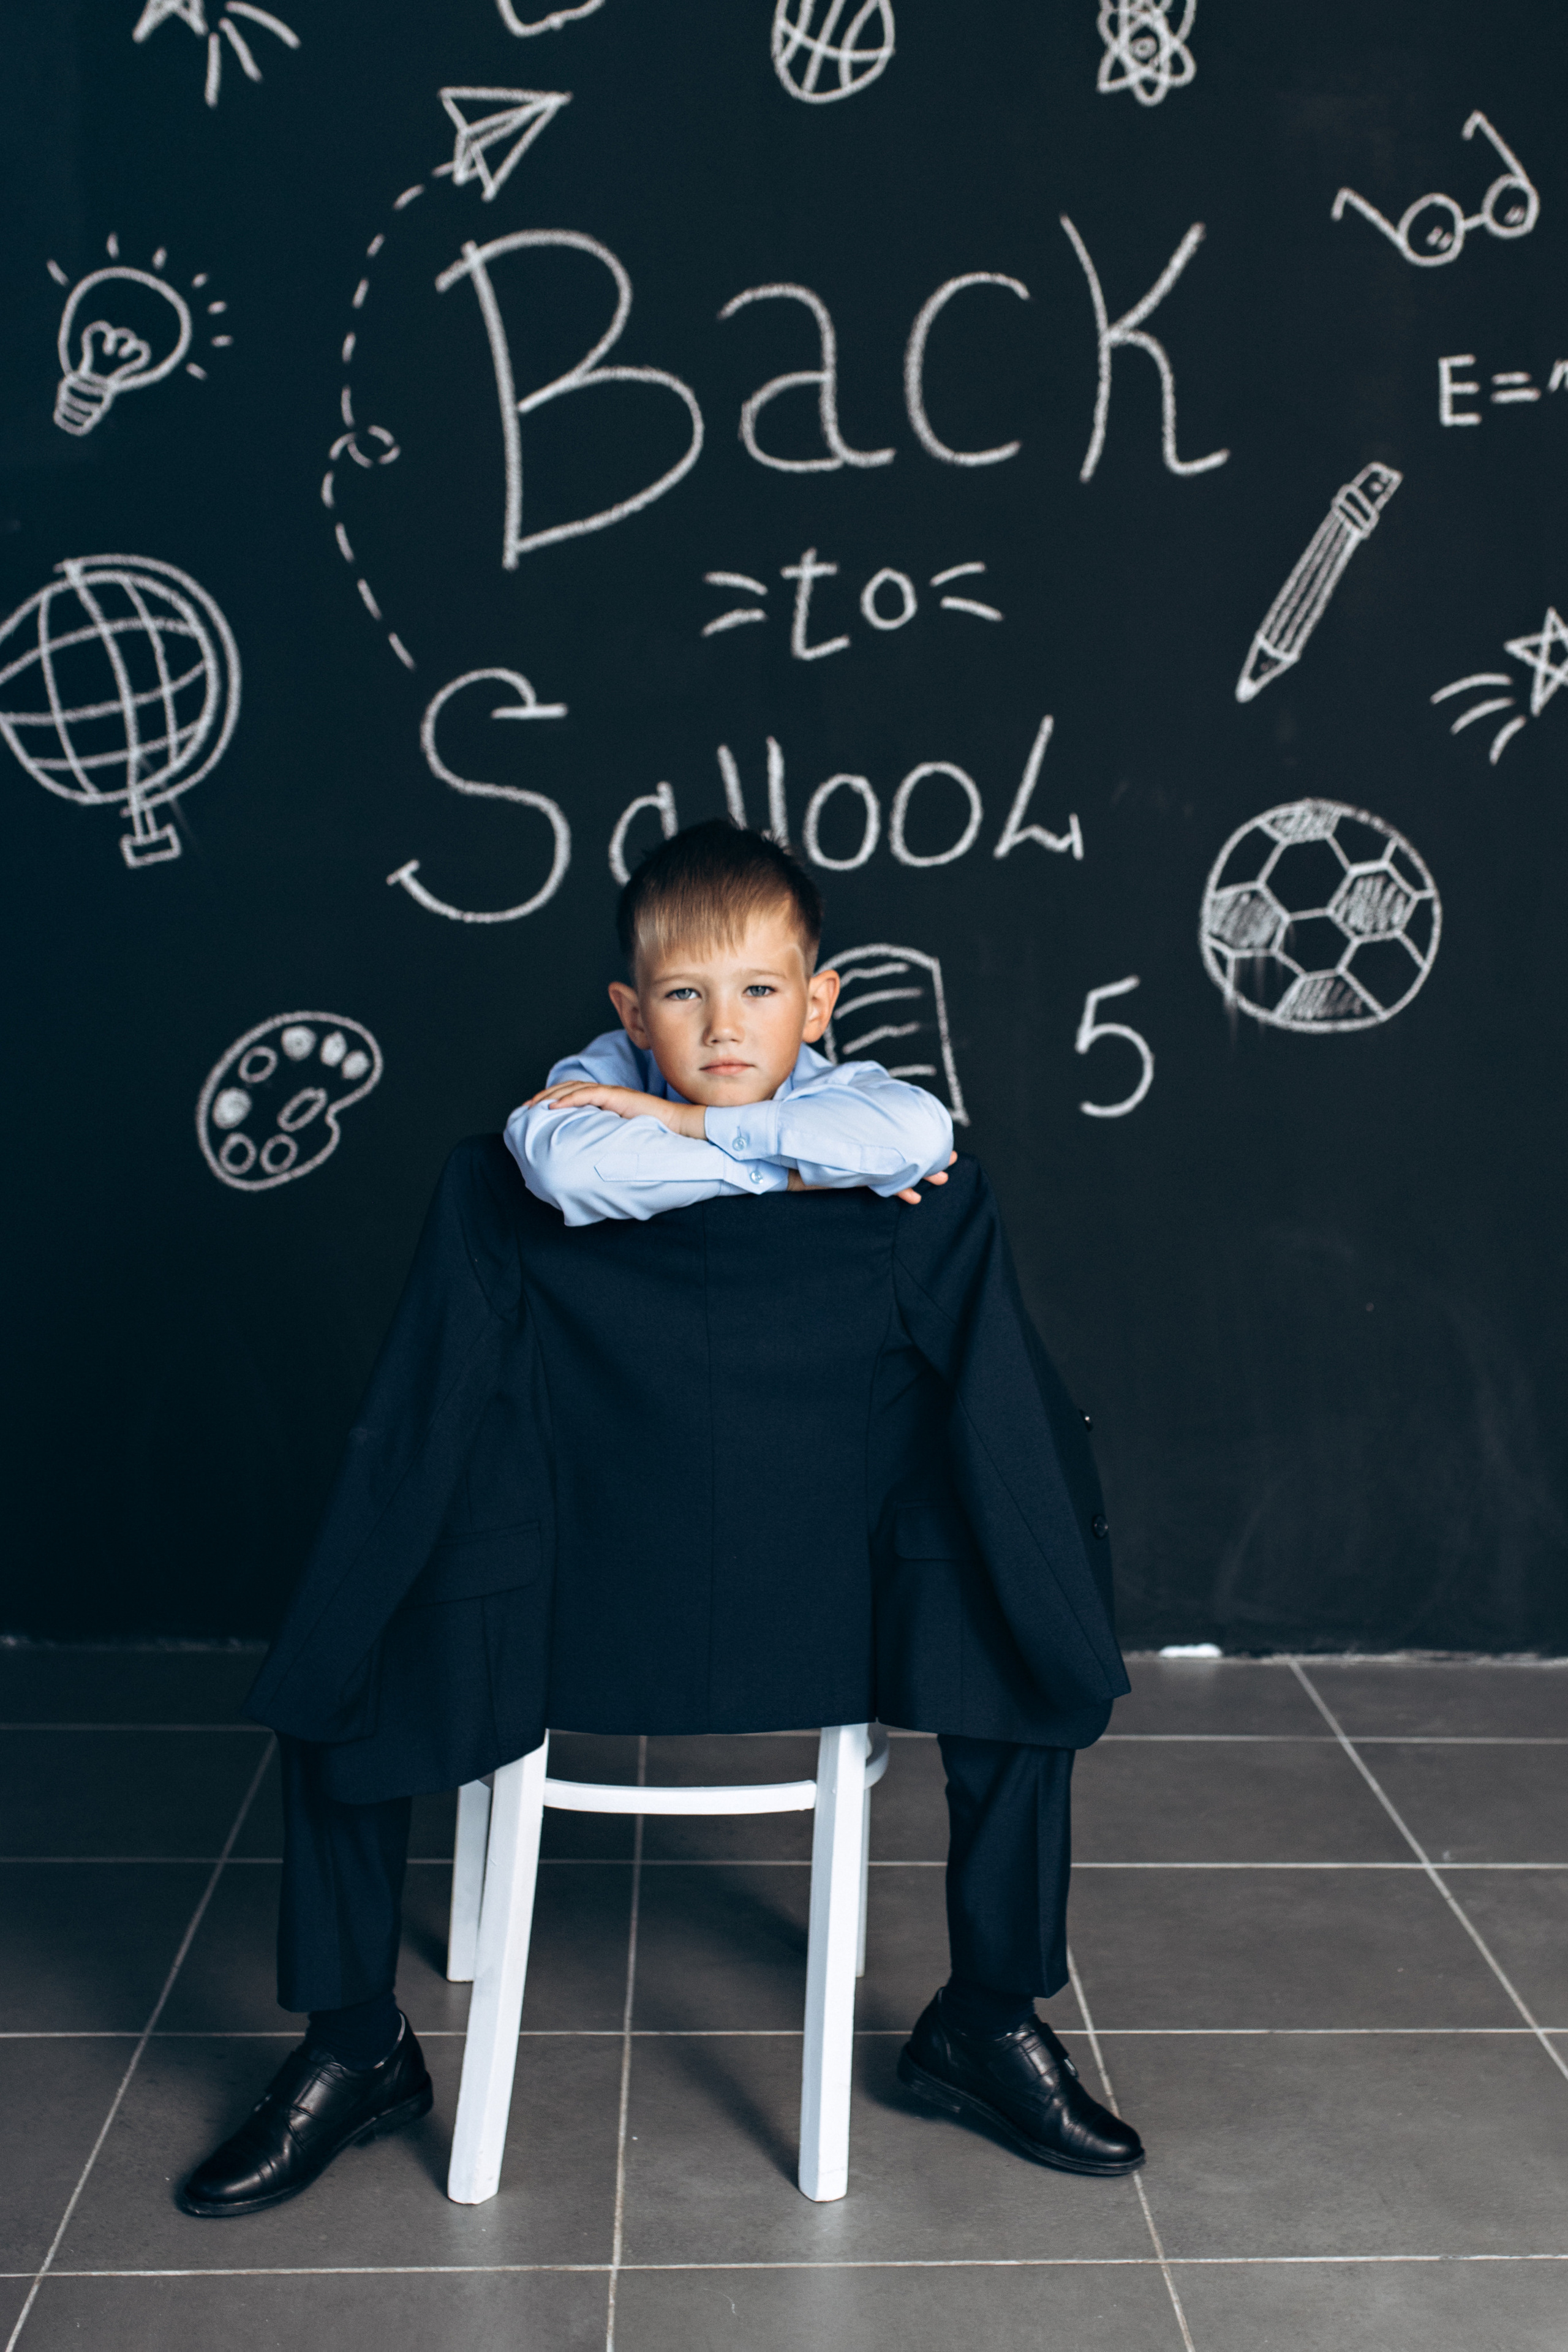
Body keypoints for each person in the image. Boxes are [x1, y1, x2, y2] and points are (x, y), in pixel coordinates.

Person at [180, 821, 1142, 2218]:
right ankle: (353, 2041)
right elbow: (568, 1171)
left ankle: (985, 2017)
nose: (725, 1025)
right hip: (574, 1584)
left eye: (760, 993)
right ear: (630, 1012)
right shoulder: (572, 1123)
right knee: (359, 1610)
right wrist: (789, 1164)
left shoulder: (866, 1117)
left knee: (1012, 1600)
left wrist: (699, 1130)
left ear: (817, 1003)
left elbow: (915, 1134)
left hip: (829, 1587)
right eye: (686, 998)